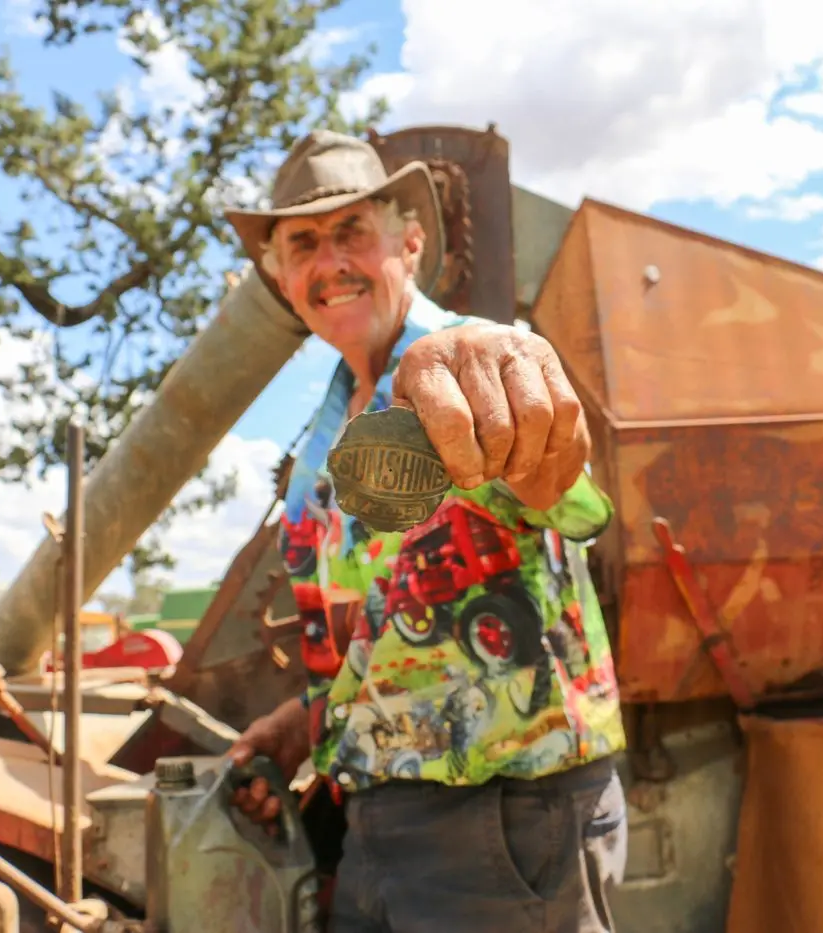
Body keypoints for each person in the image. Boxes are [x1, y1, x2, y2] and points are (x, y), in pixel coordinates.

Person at [223, 129, 628, 933]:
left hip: (506, 817)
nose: (329, 261)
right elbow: (376, 620)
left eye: (352, 233)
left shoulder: (466, 365)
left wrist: (519, 396)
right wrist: (303, 722)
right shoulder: (328, 424)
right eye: (302, 243)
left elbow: (570, 497)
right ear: (281, 278)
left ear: (409, 243)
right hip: (377, 814)